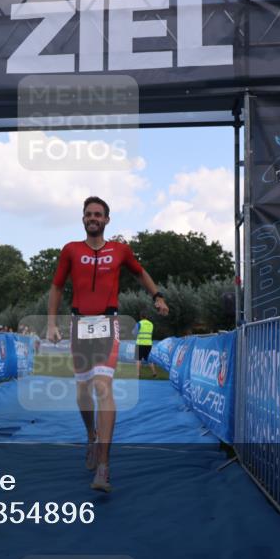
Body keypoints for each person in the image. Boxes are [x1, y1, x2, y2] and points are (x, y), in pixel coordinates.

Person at [47, 196, 169, 491]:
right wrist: (51, 322)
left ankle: (103, 465)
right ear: (83, 218)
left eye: (98, 214)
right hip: (79, 325)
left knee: (103, 387)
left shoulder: (120, 250)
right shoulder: (70, 250)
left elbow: (140, 273)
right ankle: (91, 435)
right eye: (88, 214)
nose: (93, 218)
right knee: (83, 392)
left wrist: (157, 296)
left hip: (107, 323)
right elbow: (57, 286)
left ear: (106, 220)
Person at [133, 311, 158, 378]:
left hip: (140, 343)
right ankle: (154, 372)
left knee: (138, 359)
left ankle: (138, 374)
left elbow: (134, 333)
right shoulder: (151, 324)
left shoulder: (139, 323)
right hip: (149, 344)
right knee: (148, 359)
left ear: (141, 316)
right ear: (146, 316)